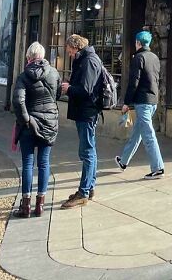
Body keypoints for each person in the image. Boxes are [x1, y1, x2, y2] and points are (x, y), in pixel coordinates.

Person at [12, 42, 62, 218]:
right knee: (44, 162)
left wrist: (26, 119)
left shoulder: (23, 76)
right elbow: (57, 95)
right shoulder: (54, 72)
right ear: (43, 56)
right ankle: (40, 205)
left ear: (29, 57)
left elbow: (18, 101)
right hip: (49, 123)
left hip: (29, 125)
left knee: (27, 163)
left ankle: (25, 206)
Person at [60, 34, 103, 208]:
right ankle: (89, 187)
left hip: (87, 112)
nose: (69, 53)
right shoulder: (84, 59)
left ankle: (83, 192)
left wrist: (69, 88)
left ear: (76, 46)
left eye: (69, 50)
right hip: (84, 112)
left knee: (87, 152)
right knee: (89, 151)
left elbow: (86, 90)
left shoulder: (89, 61)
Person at [115, 31, 164, 180]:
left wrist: (126, 103)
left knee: (148, 135)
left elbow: (133, 83)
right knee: (137, 133)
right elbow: (156, 78)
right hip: (153, 100)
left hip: (142, 101)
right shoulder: (154, 57)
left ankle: (158, 168)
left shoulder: (138, 58)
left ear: (138, 43)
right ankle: (123, 161)